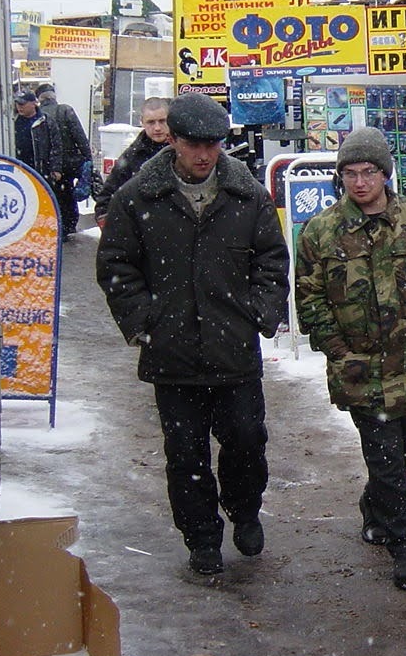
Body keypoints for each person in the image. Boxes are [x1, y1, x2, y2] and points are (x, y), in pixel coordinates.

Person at [96, 93, 289, 576]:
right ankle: (201, 535)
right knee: (185, 454)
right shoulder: (139, 198)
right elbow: (117, 265)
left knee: (246, 441)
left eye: (214, 144)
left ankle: (244, 512)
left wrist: (257, 315)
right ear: (175, 141)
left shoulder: (247, 197)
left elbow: (271, 260)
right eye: (194, 144)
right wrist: (145, 322)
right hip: (172, 354)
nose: (205, 155)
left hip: (234, 349)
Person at [295, 127, 406, 592]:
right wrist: (339, 351)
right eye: (349, 173)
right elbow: (310, 300)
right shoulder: (321, 232)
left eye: (368, 171)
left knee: (404, 449)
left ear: (385, 173)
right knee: (386, 455)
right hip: (361, 370)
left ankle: (375, 505)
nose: (360, 182)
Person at [93, 96, 173, 228]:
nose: (157, 128)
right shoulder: (131, 156)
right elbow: (107, 198)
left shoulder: (184, 151)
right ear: (142, 122)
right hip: (143, 231)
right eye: (151, 122)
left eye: (162, 121)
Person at [36, 82, 94, 240]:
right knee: (67, 193)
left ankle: (55, 225)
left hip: (48, 164)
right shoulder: (65, 110)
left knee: (52, 195)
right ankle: (68, 224)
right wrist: (88, 157)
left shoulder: (39, 115)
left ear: (39, 99)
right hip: (69, 162)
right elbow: (79, 136)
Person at [12, 90, 64, 187]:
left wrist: (55, 169)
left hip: (41, 171)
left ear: (33, 104)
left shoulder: (46, 121)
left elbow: (56, 145)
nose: (19, 107)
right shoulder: (13, 122)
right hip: (19, 170)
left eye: (23, 104)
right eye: (17, 104)